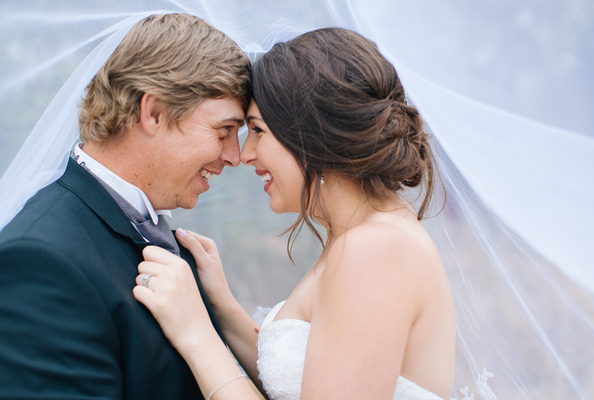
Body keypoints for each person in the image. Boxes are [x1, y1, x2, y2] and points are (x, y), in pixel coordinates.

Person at [133, 27, 456, 400]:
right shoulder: (366, 236)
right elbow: (311, 379)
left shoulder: (375, 250)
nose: (245, 155)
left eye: (257, 131)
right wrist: (220, 304)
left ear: (310, 133)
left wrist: (196, 334)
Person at [0, 13, 251, 399]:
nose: (234, 156)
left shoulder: (176, 243)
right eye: (224, 131)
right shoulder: (41, 261)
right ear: (153, 112)